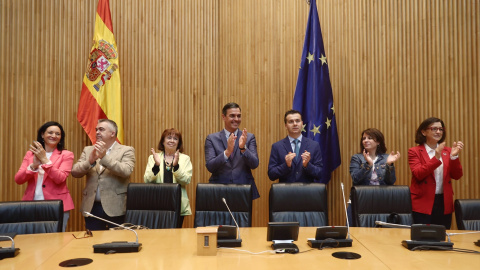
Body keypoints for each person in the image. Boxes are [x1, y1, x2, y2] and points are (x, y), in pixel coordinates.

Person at [71, 119, 135, 230]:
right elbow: (74, 172)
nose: (97, 132)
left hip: (115, 207)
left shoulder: (126, 150)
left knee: (117, 243)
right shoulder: (88, 150)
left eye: (101, 129)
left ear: (112, 133)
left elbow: (126, 171)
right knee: (93, 243)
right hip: (92, 207)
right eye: (96, 130)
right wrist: (89, 162)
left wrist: (104, 158)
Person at [14, 121, 74, 232]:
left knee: (56, 241)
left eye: (57, 134)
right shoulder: (30, 154)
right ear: (42, 134)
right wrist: (34, 165)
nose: (54, 136)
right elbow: (18, 179)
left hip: (57, 205)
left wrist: (45, 160)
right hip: (32, 203)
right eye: (50, 132)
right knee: (32, 240)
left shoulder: (67, 154)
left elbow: (60, 178)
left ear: (61, 137)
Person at [408, 117, 463, 229]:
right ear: (423, 132)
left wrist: (454, 157)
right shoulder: (414, 151)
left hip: (443, 202)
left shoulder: (448, 151)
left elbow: (457, 176)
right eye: (434, 129)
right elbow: (418, 173)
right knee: (423, 238)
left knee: (442, 238)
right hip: (423, 202)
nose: (438, 132)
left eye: (440, 129)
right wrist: (436, 157)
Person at [204, 102, 260, 199]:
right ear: (223, 117)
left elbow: (254, 164)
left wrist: (243, 149)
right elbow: (210, 166)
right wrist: (227, 153)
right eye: (232, 116)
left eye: (239, 116)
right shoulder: (212, 138)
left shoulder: (249, 137)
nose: (236, 119)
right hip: (219, 190)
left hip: (244, 189)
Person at [348, 128, 401, 225]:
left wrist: (389, 165)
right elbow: (355, 178)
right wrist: (368, 164)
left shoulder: (386, 158)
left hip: (381, 199)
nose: (365, 140)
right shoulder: (357, 158)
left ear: (378, 142)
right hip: (361, 199)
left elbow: (391, 181)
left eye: (370, 138)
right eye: (364, 138)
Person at [144, 128, 192, 228]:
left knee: (176, 234)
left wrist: (176, 166)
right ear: (163, 141)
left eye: (175, 139)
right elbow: (147, 180)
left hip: (177, 202)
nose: (172, 141)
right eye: (169, 137)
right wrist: (156, 165)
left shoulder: (185, 158)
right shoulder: (153, 157)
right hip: (158, 202)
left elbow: (186, 180)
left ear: (179, 143)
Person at [268, 110, 323, 182]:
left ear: (302, 124)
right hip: (285, 192)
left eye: (297, 121)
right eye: (291, 121)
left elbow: (320, 174)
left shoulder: (314, 145)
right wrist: (286, 165)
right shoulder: (277, 146)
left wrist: (307, 165)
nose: (295, 124)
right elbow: (271, 175)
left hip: (307, 192)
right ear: (285, 126)